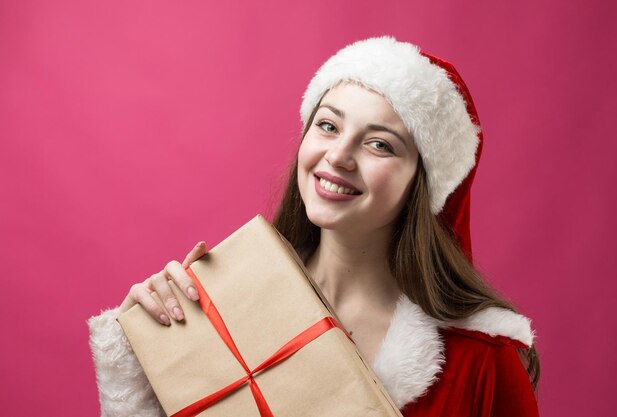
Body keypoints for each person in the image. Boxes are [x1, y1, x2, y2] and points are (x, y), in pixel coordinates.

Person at [88, 36, 540, 416]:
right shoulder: (217, 308)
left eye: (380, 144)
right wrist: (142, 361)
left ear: (421, 185)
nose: (339, 156)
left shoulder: (481, 360)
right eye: (327, 125)